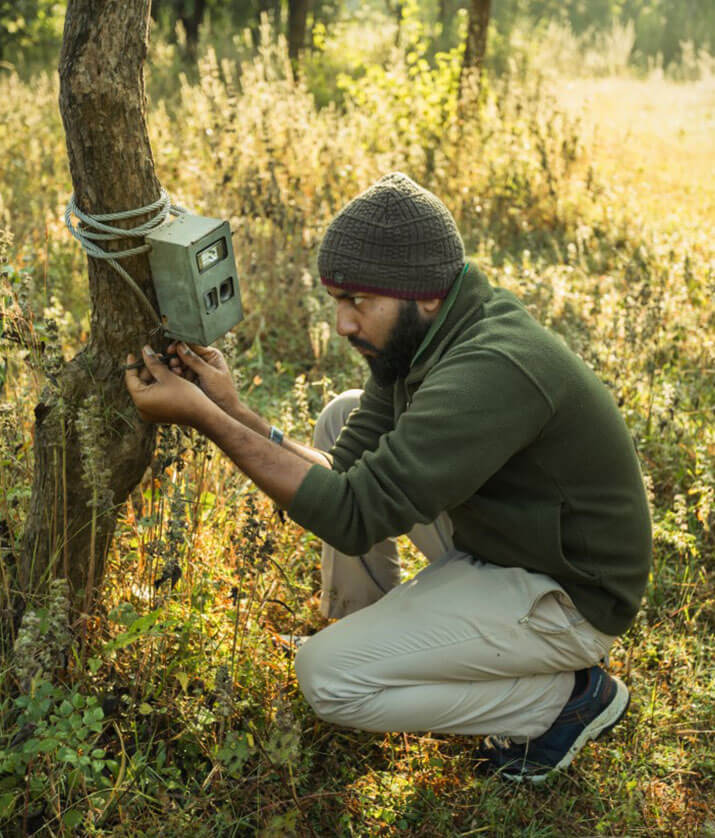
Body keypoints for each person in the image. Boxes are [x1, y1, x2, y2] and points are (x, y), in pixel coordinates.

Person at [125, 172, 652, 782]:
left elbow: (351, 515)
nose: (344, 324)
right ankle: (367, 625)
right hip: (511, 537)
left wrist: (205, 420)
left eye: (359, 302)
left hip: (571, 596)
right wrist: (234, 410)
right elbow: (344, 477)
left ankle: (566, 699)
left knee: (328, 679)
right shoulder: (423, 336)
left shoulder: (491, 367)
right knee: (341, 417)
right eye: (338, 301)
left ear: (424, 293)